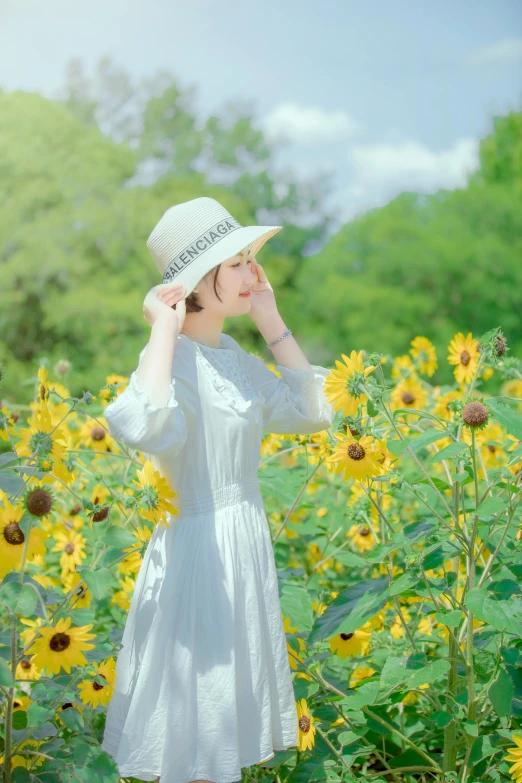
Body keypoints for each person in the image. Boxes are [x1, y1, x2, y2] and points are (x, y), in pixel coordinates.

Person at [100, 197, 336, 783]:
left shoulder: (233, 358)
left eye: (251, 259)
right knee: (194, 739)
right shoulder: (171, 359)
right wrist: (163, 327)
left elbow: (316, 413)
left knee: (220, 737)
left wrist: (270, 321)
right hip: (199, 554)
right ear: (196, 279)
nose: (254, 273)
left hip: (242, 546)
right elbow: (144, 425)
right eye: (237, 262)